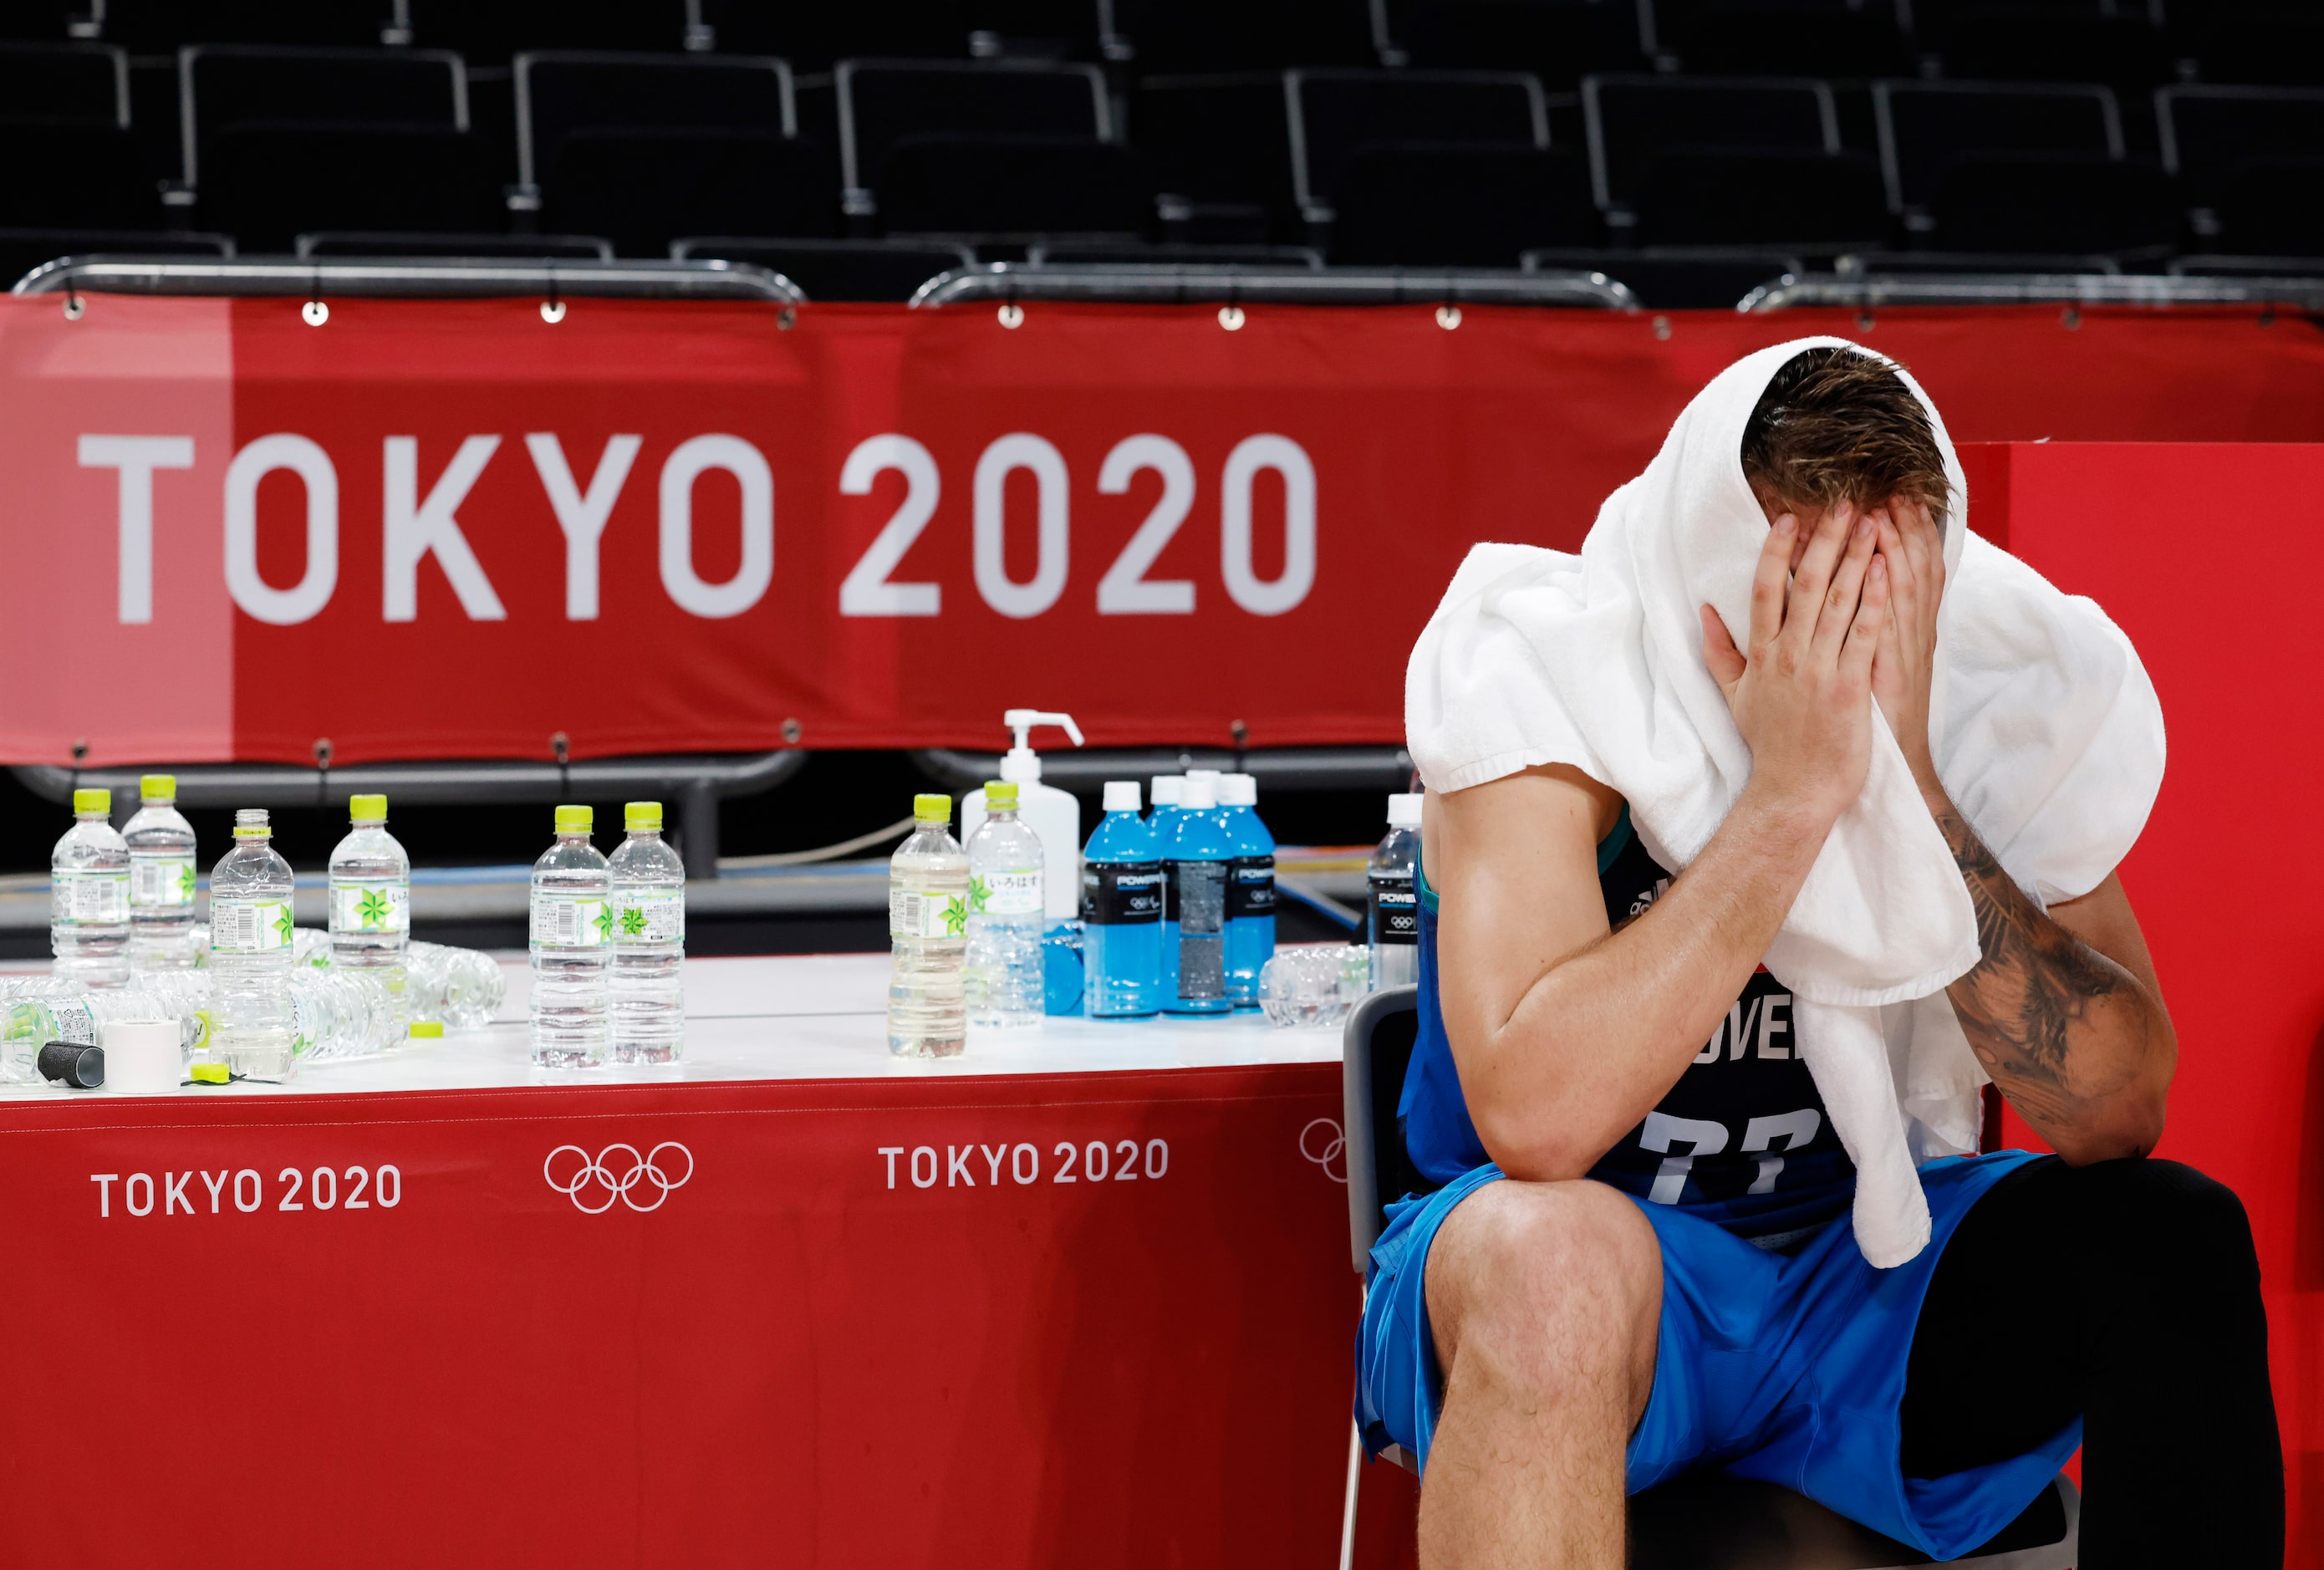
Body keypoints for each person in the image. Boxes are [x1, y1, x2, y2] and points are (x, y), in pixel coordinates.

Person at [1358, 347, 2282, 1567]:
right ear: (1709, 567)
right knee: (1555, 1262)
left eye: (1879, 596)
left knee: (2174, 1234)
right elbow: (1536, 1120)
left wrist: (1916, 793)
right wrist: (1791, 802)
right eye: (1804, 599)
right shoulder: (1549, 667)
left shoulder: (1991, 671)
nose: (1844, 642)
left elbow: (2118, 1107)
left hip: (1861, 1275)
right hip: (1603, 1278)